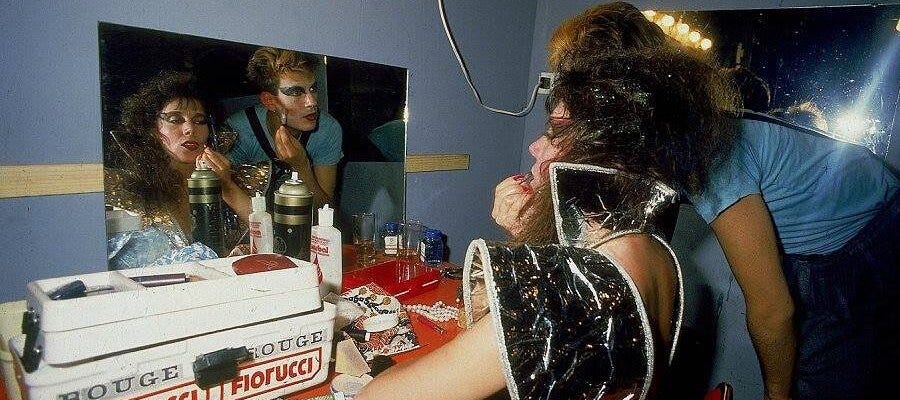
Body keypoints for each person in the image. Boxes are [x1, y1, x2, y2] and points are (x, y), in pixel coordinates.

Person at [548, 4, 899, 398]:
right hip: (846, 227)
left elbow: (772, 309)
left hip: (871, 233)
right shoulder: (668, 136)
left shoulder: (706, 156)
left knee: (814, 384)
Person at [357, 61, 687, 399]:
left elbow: (379, 396)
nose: (534, 146)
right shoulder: (652, 247)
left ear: (602, 156)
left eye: (555, 133)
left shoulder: (575, 285)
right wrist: (526, 235)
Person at [105, 71, 251, 264]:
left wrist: (227, 187)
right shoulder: (125, 190)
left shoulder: (239, 179)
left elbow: (275, 240)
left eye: (199, 121)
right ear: (152, 128)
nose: (190, 129)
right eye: (175, 119)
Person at [224, 47, 343, 209]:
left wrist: (302, 166)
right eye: (296, 92)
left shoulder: (327, 130)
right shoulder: (239, 131)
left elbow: (325, 209)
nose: (312, 102)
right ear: (269, 101)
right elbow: (227, 200)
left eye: (313, 89)